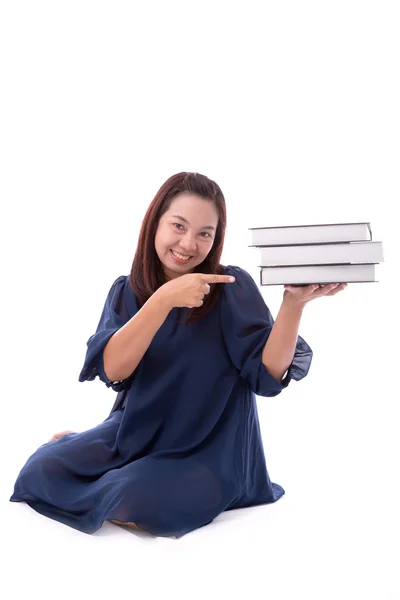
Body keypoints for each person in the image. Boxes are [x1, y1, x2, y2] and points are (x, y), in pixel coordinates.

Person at [10, 172, 346, 538]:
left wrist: (293, 304)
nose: (189, 243)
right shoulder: (127, 290)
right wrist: (164, 299)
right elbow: (114, 370)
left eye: (205, 233)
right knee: (40, 469)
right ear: (155, 223)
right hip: (135, 436)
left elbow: (267, 376)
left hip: (212, 452)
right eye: (179, 226)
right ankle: (101, 459)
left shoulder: (230, 288)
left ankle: (114, 475)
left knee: (132, 497)